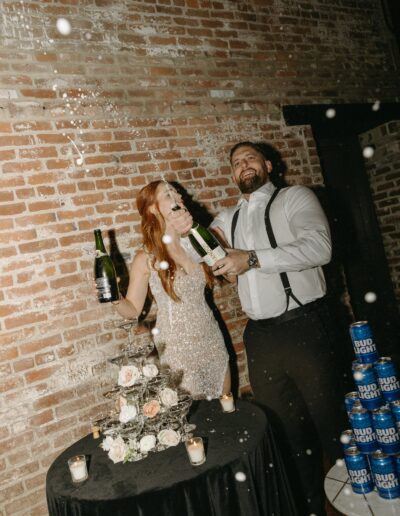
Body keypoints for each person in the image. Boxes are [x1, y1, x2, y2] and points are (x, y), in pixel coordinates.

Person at [170, 141, 347, 515]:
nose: (243, 165)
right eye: (236, 163)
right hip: (261, 338)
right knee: (285, 435)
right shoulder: (226, 219)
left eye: (250, 158)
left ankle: (361, 502)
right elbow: (201, 251)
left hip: (307, 328)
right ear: (232, 175)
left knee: (334, 425)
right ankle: (310, 509)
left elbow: (320, 247)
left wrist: (251, 259)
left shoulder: (295, 198)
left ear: (268, 164)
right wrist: (184, 229)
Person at [111, 180, 231, 400]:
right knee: (193, 418)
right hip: (177, 348)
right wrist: (114, 296)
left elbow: (230, 272)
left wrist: (194, 232)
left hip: (211, 338)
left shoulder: (196, 241)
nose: (177, 197)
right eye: (168, 194)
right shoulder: (146, 257)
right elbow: (132, 310)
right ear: (153, 208)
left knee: (226, 405)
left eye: (178, 193)